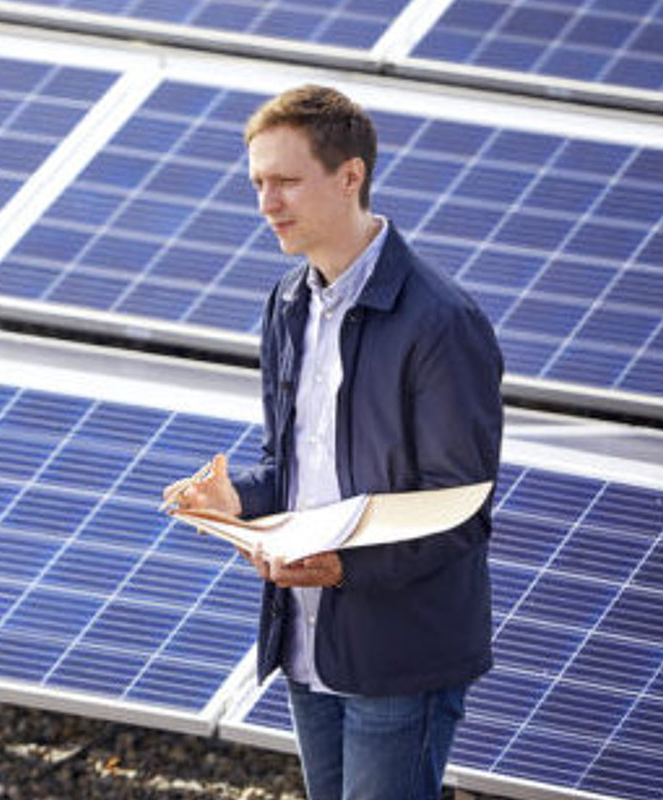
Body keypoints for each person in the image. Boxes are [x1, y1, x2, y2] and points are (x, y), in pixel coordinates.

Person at [164, 85, 503, 800]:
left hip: (399, 656)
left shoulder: (441, 324)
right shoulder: (288, 303)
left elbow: (459, 509)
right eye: (257, 182)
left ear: (351, 176)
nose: (266, 203)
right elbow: (293, 468)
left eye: (285, 181)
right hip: (307, 644)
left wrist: (342, 569)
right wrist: (235, 498)